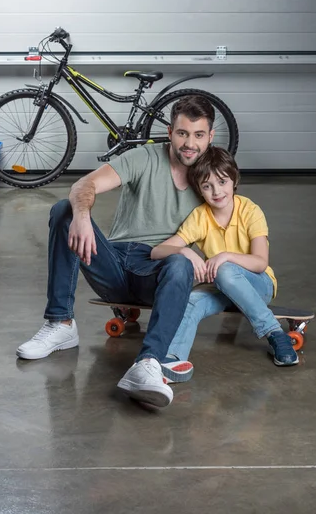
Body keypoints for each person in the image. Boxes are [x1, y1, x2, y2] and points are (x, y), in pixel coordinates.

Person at [16, 94, 216, 408]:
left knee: (181, 264)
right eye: (182, 133)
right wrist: (81, 217)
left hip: (162, 270)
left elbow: (231, 224)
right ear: (169, 131)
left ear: (211, 137)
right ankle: (61, 324)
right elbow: (85, 185)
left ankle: (147, 365)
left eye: (198, 135)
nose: (189, 143)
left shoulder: (213, 174)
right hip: (115, 263)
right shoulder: (144, 157)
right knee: (63, 210)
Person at [151, 146, 298, 367]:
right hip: (220, 287)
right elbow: (156, 251)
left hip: (259, 285)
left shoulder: (250, 211)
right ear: (199, 190)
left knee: (225, 269)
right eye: (207, 186)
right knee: (191, 300)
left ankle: (275, 333)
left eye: (222, 182)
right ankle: (173, 360)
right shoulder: (200, 216)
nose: (216, 192)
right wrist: (184, 250)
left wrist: (225, 256)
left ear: (234, 180)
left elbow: (260, 263)